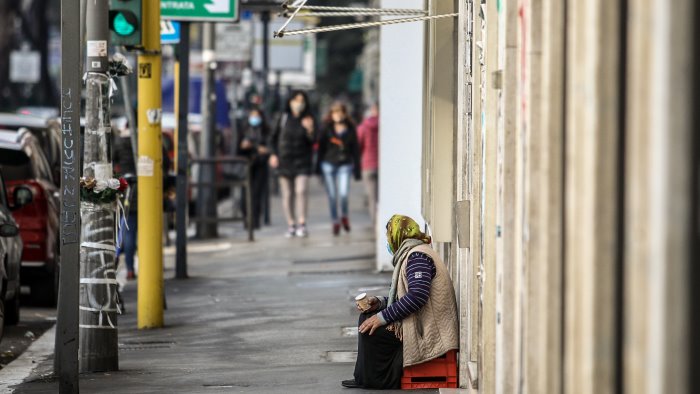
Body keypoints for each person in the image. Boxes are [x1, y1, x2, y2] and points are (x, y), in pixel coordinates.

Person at [342, 214, 459, 389]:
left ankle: (380, 378)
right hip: (421, 319)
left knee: (373, 329)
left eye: (389, 237)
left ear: (399, 236)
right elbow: (404, 295)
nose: (388, 242)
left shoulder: (418, 257)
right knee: (367, 317)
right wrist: (379, 303)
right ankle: (364, 377)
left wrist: (382, 317)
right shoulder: (412, 253)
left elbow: (417, 296)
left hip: (428, 326)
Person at [269, 91, 316, 237]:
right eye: (296, 100)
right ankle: (291, 224)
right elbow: (272, 138)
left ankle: (302, 223)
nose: (299, 103)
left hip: (302, 160)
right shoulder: (282, 118)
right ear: (289, 101)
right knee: (287, 194)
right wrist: (273, 154)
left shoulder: (309, 119)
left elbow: (314, 141)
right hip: (284, 160)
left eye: (302, 100)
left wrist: (310, 129)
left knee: (301, 191)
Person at [317, 102, 361, 235]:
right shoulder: (326, 128)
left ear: (345, 113)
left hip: (345, 164)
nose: (338, 115)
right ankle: (335, 221)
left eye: (340, 112)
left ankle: (344, 216)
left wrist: (357, 169)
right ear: (331, 114)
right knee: (332, 195)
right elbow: (320, 148)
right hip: (328, 164)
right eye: (335, 112)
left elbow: (355, 150)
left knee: (343, 194)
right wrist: (317, 169)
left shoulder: (351, 128)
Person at [238, 107, 270, 229]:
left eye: (257, 116)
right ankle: (247, 219)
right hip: (247, 165)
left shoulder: (266, 131)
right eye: (252, 115)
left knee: (256, 194)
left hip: (261, 165)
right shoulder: (244, 130)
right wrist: (243, 146)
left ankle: (255, 221)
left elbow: (270, 147)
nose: (254, 118)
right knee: (244, 196)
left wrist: (262, 150)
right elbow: (237, 148)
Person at [357, 102, 379, 226]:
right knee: (383, 197)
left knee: (372, 198)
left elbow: (358, 146)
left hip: (368, 165)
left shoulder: (363, 127)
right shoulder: (385, 124)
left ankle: (376, 224)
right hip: (382, 167)